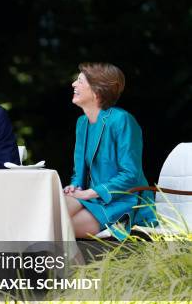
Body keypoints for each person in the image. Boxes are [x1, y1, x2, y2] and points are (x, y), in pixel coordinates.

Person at [65, 62, 155, 239]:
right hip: (90, 197)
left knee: (57, 227)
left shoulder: (122, 120)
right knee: (46, 214)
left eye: (80, 81)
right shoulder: (82, 123)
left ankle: (68, 266)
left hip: (122, 202)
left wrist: (89, 192)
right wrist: (74, 187)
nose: (74, 84)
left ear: (98, 90)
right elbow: (79, 172)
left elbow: (130, 175)